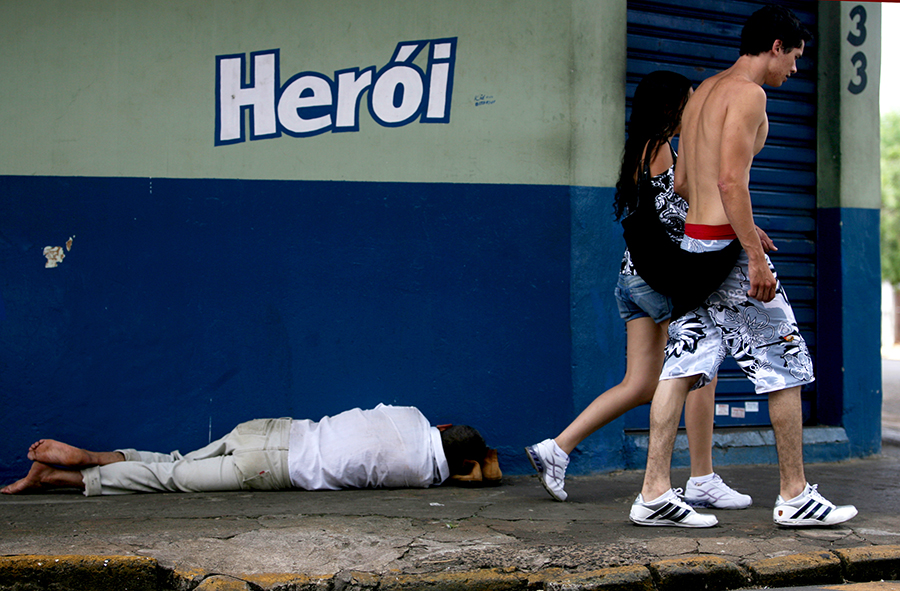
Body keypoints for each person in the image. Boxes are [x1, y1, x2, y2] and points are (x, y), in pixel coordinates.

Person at [630, 5, 857, 528]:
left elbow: (686, 185)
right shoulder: (749, 95)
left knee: (682, 365)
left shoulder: (703, 92)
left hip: (695, 247)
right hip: (728, 260)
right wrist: (752, 253)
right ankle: (795, 495)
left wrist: (741, 229)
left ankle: (653, 493)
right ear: (776, 45)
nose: (794, 71)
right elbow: (731, 182)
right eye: (795, 58)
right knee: (786, 365)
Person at [525, 71, 753, 509]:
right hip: (661, 279)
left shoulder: (640, 149)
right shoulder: (665, 150)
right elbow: (684, 211)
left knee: (641, 382)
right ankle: (702, 477)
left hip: (633, 279)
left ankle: (556, 449)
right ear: (672, 107)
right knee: (700, 367)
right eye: (689, 101)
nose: (695, 109)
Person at [1, 404, 501, 496]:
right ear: (458, 463)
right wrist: (482, 465)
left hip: (268, 428)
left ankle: (77, 465)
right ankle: (75, 473)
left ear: (442, 424)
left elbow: (442, 435)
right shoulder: (421, 473)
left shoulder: (409, 414)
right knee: (169, 480)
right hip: (268, 468)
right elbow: (484, 477)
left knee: (175, 464)